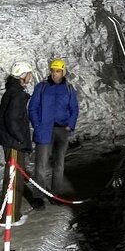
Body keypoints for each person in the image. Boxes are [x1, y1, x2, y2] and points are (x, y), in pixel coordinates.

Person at [0, 62, 39, 226]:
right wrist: (20, 139)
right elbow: (12, 120)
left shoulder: (11, 90)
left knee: (13, 176)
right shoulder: (17, 94)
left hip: (10, 140)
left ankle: (10, 215)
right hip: (13, 142)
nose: (30, 77)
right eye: (29, 74)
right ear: (23, 75)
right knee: (14, 178)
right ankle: (10, 217)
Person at [28, 58, 79, 198]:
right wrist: (37, 125)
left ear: (63, 72)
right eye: (53, 71)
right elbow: (32, 108)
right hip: (44, 130)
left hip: (62, 130)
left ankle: (56, 194)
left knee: (59, 164)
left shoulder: (69, 89)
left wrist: (70, 125)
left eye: (58, 71)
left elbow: (74, 109)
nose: (55, 73)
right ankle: (38, 196)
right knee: (41, 165)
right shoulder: (42, 87)